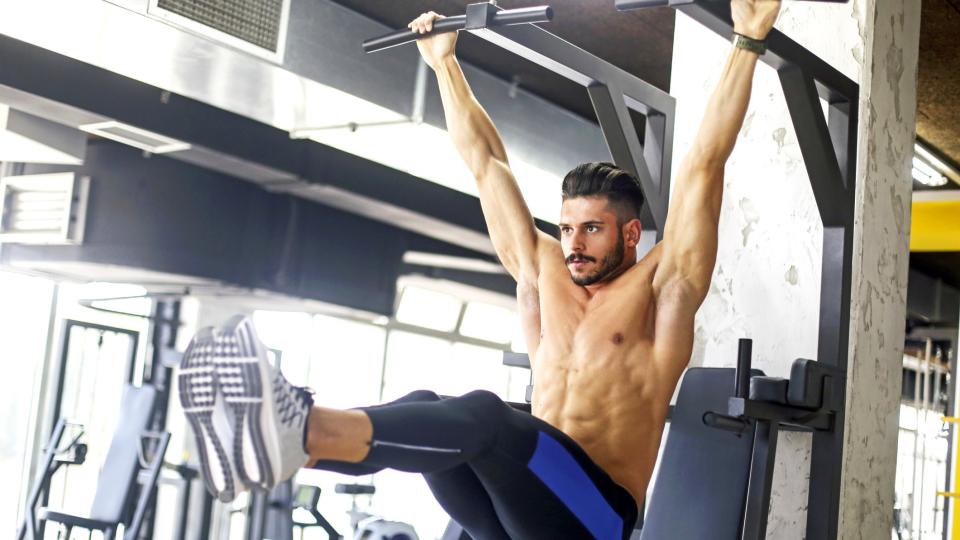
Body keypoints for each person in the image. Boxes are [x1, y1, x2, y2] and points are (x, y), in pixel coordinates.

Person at [177, 2, 783, 538]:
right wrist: (444, 63)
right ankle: (293, 447)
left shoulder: (662, 288)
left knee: (487, 418)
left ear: (629, 233)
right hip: (522, 511)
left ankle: (301, 430)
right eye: (566, 227)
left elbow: (705, 164)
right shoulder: (543, 270)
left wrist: (748, 41)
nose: (572, 242)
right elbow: (486, 163)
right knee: (429, 408)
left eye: (591, 229)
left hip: (595, 519)